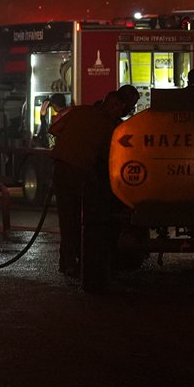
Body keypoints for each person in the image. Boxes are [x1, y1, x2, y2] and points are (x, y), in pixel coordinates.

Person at [49, 86, 139, 278]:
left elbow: (53, 129)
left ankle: (66, 262)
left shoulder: (80, 111)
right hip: (81, 172)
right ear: (111, 105)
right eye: (117, 107)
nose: (119, 111)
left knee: (67, 218)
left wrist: (68, 141)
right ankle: (75, 262)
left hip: (61, 167)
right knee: (83, 220)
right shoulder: (110, 127)